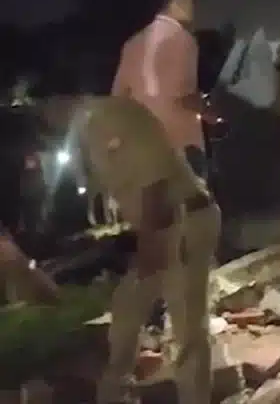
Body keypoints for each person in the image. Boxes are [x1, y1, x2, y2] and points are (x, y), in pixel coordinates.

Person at [34, 95, 220, 404]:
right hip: (158, 227)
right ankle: (114, 394)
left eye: (45, 114)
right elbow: (117, 190)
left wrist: (149, 246)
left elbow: (154, 182)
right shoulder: (89, 132)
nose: (47, 125)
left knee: (187, 328)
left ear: (58, 103)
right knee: (125, 317)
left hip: (181, 221)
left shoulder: (113, 117)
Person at [109, 0, 213, 338]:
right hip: (180, 145)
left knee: (153, 234)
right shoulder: (182, 40)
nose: (194, 8)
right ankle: (183, 317)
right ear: (176, 2)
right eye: (190, 1)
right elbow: (181, 94)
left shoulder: (132, 44)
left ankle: (150, 316)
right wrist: (208, 109)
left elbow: (118, 100)